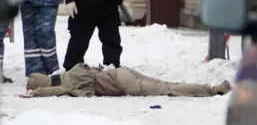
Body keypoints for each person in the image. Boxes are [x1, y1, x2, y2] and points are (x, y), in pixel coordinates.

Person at [25, 63, 233, 97]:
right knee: (166, 84)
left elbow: (78, 92)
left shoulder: (69, 82)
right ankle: (210, 88)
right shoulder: (72, 71)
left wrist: (36, 93)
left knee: (169, 91)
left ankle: (214, 90)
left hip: (123, 83)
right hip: (121, 73)